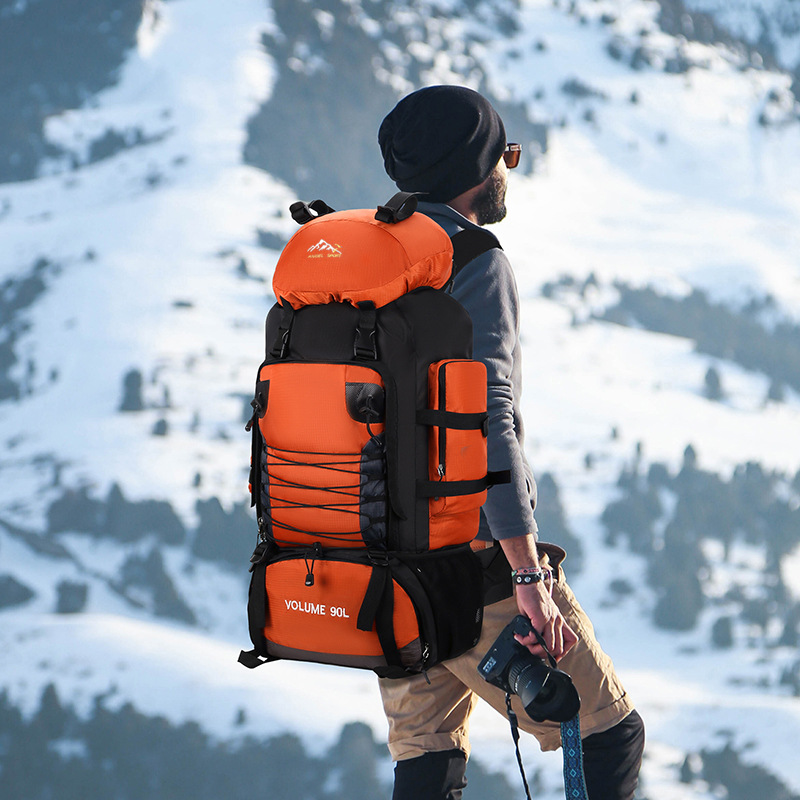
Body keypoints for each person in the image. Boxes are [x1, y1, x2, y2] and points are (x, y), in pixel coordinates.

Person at [377, 85, 645, 800]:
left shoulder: (367, 254)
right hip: (469, 565)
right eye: (506, 155)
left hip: (381, 562)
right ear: (477, 164)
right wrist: (528, 578)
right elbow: (488, 420)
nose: (508, 169)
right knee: (605, 731)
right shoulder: (471, 259)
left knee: (428, 762)